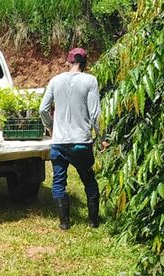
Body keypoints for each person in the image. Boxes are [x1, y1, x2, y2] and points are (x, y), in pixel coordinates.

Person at [39, 47, 104, 229]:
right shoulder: (90, 81)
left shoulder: (55, 80)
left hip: (59, 142)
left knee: (59, 181)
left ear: (67, 62)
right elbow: (95, 114)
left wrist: (51, 127)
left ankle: (64, 223)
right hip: (80, 142)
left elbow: (43, 109)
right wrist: (102, 137)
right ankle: (93, 221)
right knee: (88, 179)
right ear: (85, 64)